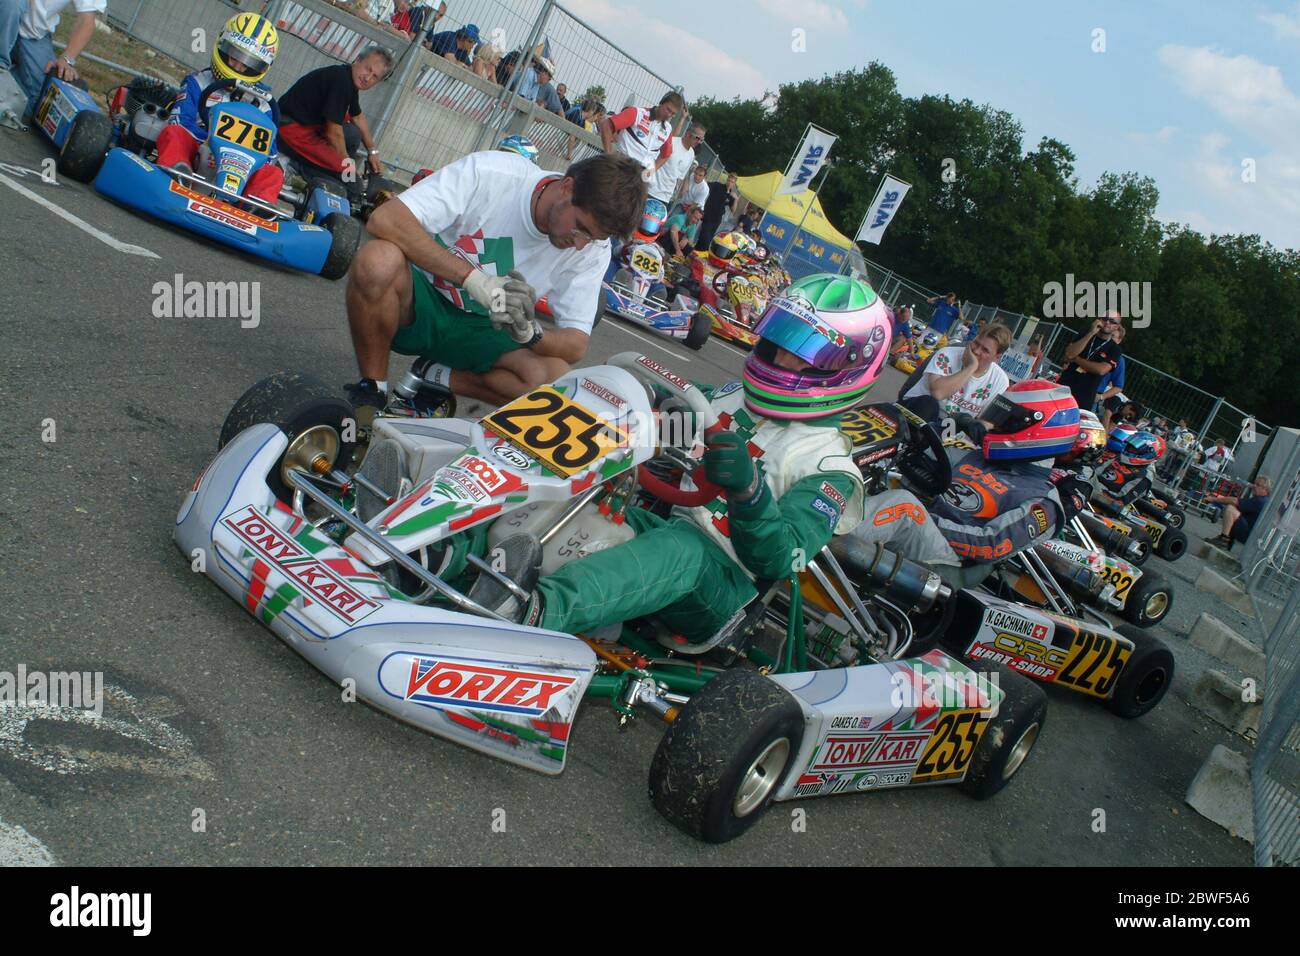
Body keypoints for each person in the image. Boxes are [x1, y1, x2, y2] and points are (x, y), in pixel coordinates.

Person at [466, 275, 890, 643]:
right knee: (584, 487)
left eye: (805, 350)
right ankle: (453, 547)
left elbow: (783, 559)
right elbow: (660, 422)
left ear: (846, 367)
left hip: (723, 584)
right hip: (663, 524)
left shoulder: (831, 471)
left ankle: (531, 609)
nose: (781, 356)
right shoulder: (729, 397)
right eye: (781, 338)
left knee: (684, 549)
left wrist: (750, 492)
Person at [344, 150, 645, 413]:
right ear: (567, 187)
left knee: (555, 383)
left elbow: (576, 344)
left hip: (485, 328)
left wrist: (532, 334)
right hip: (422, 302)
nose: (580, 245)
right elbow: (385, 219)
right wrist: (472, 277)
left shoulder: (593, 248)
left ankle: (434, 374)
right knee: (378, 260)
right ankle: (372, 391)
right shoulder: (493, 173)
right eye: (581, 228)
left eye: (592, 238)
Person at [844, 380, 1080, 568]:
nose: (995, 425)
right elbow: (920, 446)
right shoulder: (980, 455)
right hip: (919, 524)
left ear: (1035, 432)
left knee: (904, 506)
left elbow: (991, 545)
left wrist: (928, 519)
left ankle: (816, 539)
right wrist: (955, 424)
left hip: (948, 559)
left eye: (1006, 420)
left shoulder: (1042, 501)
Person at [153, 12, 284, 204]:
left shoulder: (264, 104)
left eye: (250, 62)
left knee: (273, 172)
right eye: (235, 55)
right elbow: (179, 121)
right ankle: (177, 173)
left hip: (242, 166)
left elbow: (269, 153)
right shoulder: (198, 82)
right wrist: (211, 140)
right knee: (174, 133)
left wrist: (240, 154)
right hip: (198, 154)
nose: (239, 66)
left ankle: (256, 204)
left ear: (262, 67)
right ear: (223, 46)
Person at [277, 47, 391, 199]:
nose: (367, 77)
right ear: (357, 60)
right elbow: (333, 132)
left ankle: (320, 169)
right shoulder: (340, 79)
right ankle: (293, 166)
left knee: (352, 134)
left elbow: (357, 117)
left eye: (374, 76)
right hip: (290, 131)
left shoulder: (348, 79)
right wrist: (347, 166)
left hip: (306, 129)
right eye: (367, 69)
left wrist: (372, 151)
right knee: (353, 187)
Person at [0, 0, 105, 122]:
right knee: (12, 5)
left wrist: (66, 59)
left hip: (34, 34)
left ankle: (7, 83)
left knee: (43, 102)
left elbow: (86, 21)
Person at [899, 323, 1013, 423]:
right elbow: (938, 393)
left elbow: (984, 422)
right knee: (929, 404)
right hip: (914, 411)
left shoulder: (1000, 381)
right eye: (976, 343)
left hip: (948, 427)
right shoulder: (947, 354)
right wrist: (971, 367)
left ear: (997, 358)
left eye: (985, 350)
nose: (976, 351)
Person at [600, 91, 682, 182]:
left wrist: (651, 171)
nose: (669, 115)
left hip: (640, 177)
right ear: (661, 103)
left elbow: (666, 155)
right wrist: (609, 155)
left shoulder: (668, 129)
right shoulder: (637, 113)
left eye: (673, 114)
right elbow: (606, 125)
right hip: (621, 166)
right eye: (668, 110)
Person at [1057, 311, 1122, 411]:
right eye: (1105, 319)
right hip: (1063, 386)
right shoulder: (1084, 333)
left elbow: (1101, 370)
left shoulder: (1114, 349)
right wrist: (1091, 333)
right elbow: (1069, 354)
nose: (1107, 322)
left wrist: (1076, 359)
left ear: (1117, 327)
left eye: (1112, 321)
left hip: (1084, 397)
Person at [1206, 476, 1272, 550]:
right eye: (1254, 483)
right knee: (1235, 510)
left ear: (1265, 489)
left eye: (1258, 485)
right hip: (1250, 534)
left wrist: (1213, 499)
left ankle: (1223, 539)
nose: (1253, 486)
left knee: (1231, 509)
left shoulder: (1260, 501)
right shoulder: (1261, 499)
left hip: (1248, 536)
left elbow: (1235, 501)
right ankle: (1228, 541)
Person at [649, 123, 705, 208]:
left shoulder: (691, 154)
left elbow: (680, 177)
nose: (699, 142)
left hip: (665, 198)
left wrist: (676, 195)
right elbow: (653, 162)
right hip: (650, 190)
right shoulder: (672, 142)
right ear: (688, 133)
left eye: (701, 139)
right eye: (697, 138)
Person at [697, 171, 738, 249]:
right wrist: (701, 176)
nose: (730, 183)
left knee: (703, 240)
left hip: (717, 220)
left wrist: (736, 199)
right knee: (706, 241)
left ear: (734, 184)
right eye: (729, 180)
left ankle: (696, 253)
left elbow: (733, 210)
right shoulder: (717, 186)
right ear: (727, 180)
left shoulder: (731, 195)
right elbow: (706, 184)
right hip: (707, 216)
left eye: (732, 182)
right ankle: (701, 252)